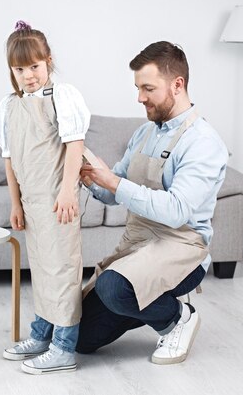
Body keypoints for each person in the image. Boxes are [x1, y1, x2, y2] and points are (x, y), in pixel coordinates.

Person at [76, 41, 229, 365]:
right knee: (81, 339)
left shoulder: (203, 142)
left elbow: (176, 211)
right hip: (138, 244)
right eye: (137, 88)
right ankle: (142, 301)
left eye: (148, 88)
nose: (139, 97)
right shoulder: (144, 133)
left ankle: (178, 317)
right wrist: (89, 175)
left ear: (178, 84)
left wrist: (114, 182)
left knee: (113, 286)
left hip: (182, 247)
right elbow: (112, 188)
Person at [0, 20, 91, 374]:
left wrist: (68, 191)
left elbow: (74, 144)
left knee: (62, 267)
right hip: (31, 200)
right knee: (42, 267)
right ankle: (42, 333)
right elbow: (10, 158)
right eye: (19, 69)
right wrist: (15, 202)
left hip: (56, 196)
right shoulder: (9, 106)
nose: (28, 76)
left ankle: (64, 346)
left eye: (34, 66)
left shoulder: (62, 97)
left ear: (48, 60)